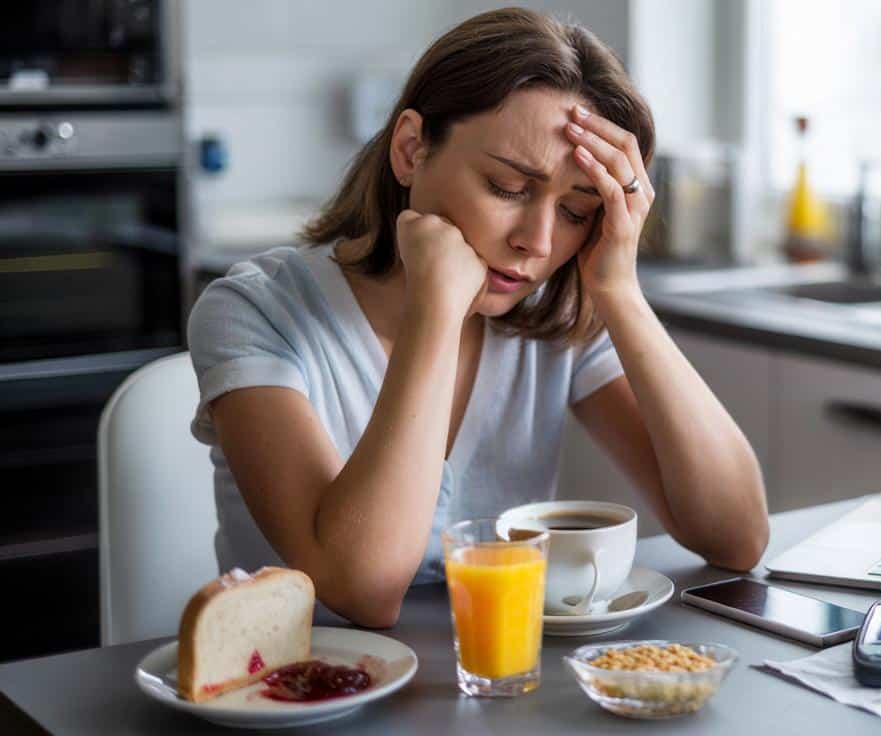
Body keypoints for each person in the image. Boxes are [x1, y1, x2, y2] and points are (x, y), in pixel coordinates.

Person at [187, 8, 768, 628]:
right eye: (508, 188)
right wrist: (435, 315)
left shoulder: (552, 315)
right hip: (303, 702)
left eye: (575, 211)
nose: (538, 241)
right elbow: (363, 590)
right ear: (411, 150)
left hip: (499, 693)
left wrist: (619, 292)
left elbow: (737, 536)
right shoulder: (254, 311)